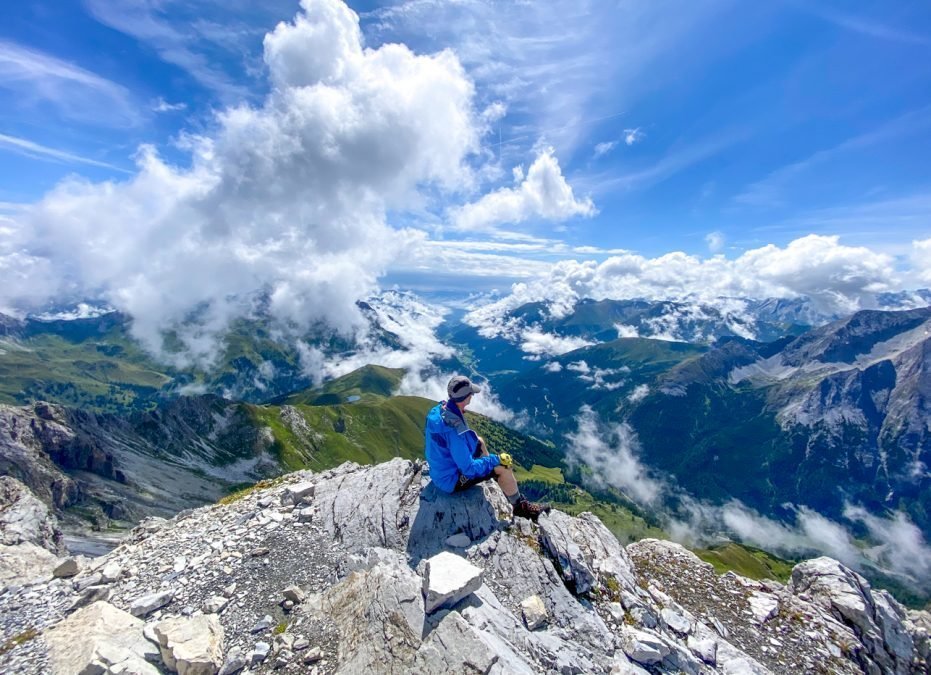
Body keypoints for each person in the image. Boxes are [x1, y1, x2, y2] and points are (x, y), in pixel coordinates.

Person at [424, 375, 551, 521]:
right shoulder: (454, 429)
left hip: (441, 470)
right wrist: (494, 460)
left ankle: (490, 477)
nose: (472, 395)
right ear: (465, 397)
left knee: (479, 441)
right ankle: (521, 508)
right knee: (503, 467)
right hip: (450, 481)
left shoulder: (439, 410)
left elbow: (446, 444)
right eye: (471, 393)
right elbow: (468, 469)